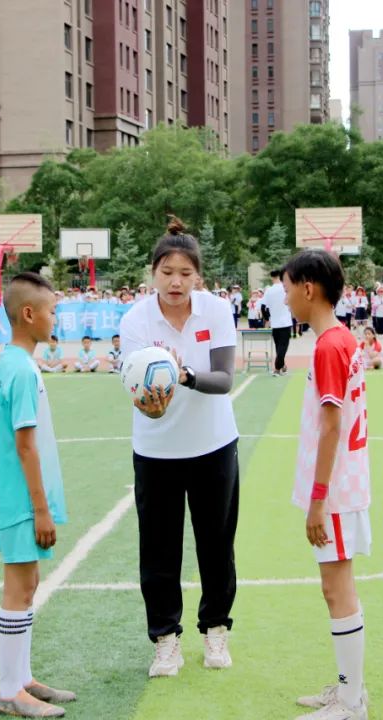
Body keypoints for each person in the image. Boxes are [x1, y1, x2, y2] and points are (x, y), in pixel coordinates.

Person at [118, 216, 240, 678]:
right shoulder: (135, 321)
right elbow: (141, 399)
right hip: (156, 453)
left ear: (199, 278)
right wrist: (153, 405)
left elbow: (225, 380)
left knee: (216, 545)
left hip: (213, 446)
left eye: (185, 274)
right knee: (159, 549)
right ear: (152, 273)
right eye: (167, 272)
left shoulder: (217, 311)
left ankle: (215, 630)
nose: (175, 282)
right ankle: (165, 639)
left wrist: (183, 375)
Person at [281, 251, 371, 720]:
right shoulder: (339, 340)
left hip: (336, 490)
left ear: (308, 289)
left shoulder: (327, 346)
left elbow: (332, 426)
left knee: (336, 590)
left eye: (288, 287)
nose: (285, 295)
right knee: (338, 586)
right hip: (345, 484)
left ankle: (351, 702)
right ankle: (349, 689)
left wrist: (317, 501)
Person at [0, 272, 76, 718]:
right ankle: (8, 691)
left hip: (17, 497)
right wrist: (41, 510)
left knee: (28, 584)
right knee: (19, 589)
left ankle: (22, 679)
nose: (55, 318)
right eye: (52, 311)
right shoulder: (20, 368)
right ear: (28, 314)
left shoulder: (14, 362)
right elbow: (25, 445)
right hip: (20, 500)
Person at [260, 268, 294, 376]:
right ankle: (277, 368)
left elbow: (263, 306)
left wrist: (267, 318)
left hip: (275, 323)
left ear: (271, 278)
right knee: (283, 347)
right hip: (285, 322)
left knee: (278, 346)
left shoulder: (268, 290)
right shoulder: (285, 288)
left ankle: (283, 366)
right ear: (281, 276)